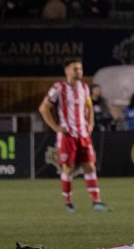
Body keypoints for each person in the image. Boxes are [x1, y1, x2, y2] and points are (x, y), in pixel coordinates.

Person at [38, 58, 110, 213]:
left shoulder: (84, 88)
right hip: (67, 135)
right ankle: (68, 202)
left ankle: (96, 201)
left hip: (83, 134)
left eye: (80, 68)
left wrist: (90, 124)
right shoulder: (58, 88)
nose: (79, 71)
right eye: (75, 68)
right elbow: (43, 108)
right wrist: (56, 127)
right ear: (67, 70)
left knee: (89, 165)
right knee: (68, 167)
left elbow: (89, 107)